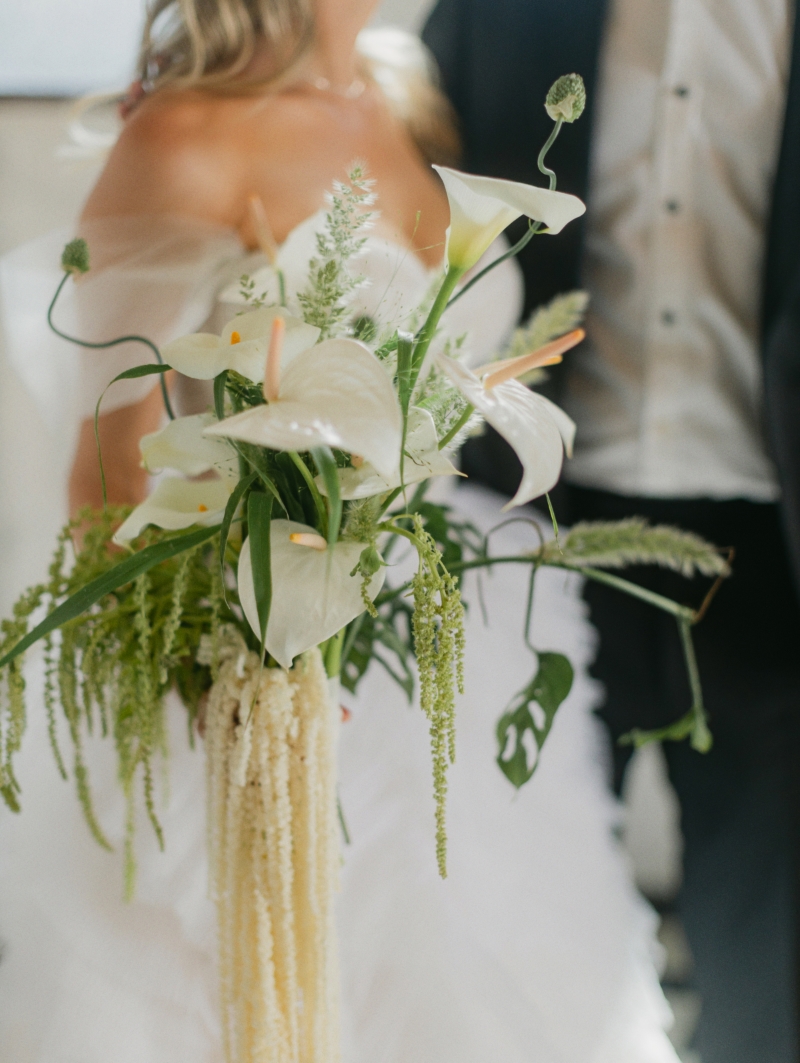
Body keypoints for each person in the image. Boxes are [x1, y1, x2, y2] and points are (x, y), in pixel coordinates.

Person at [0, 1, 683, 1060]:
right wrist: (228, 672)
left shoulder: (404, 89)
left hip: (452, 637)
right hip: (259, 649)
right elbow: (106, 457)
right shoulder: (184, 129)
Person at [422, 1, 800, 1061]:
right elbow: (390, 139)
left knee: (762, 932)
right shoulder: (503, 11)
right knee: (517, 900)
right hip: (531, 528)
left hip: (763, 552)